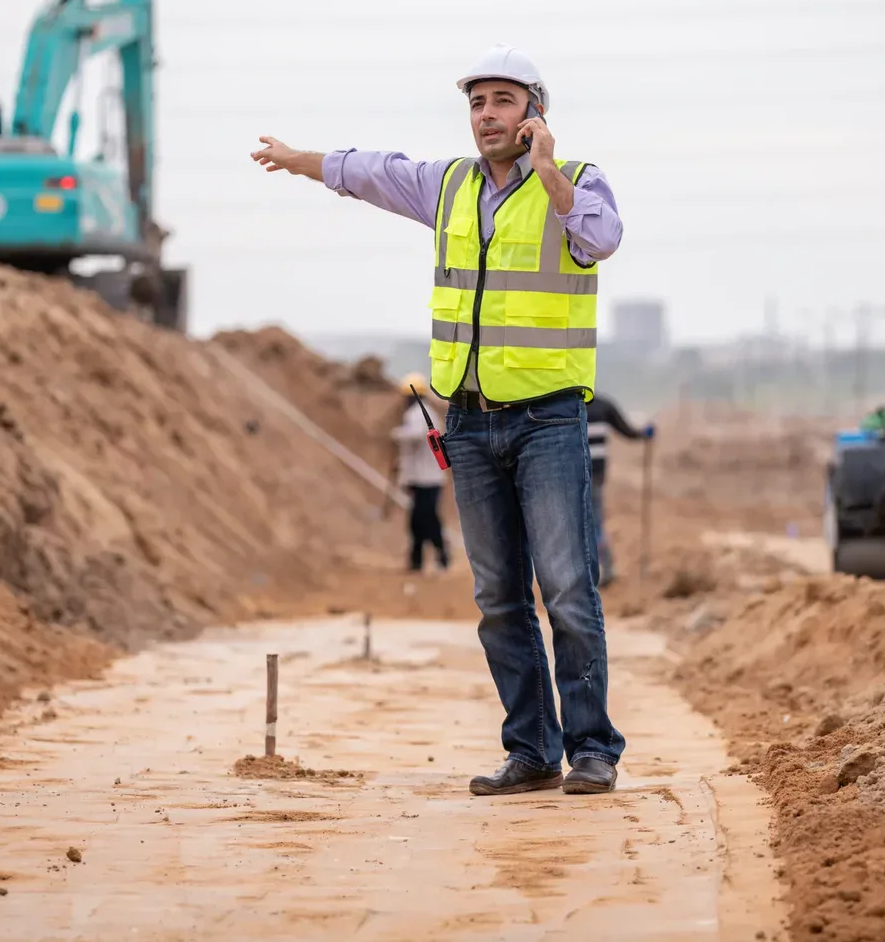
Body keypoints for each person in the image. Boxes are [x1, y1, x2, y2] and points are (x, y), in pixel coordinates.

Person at [250, 45, 626, 796]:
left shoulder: (579, 183)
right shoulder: (450, 186)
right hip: (469, 424)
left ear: (535, 113)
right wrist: (298, 160)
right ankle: (530, 751)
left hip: (549, 420)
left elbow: (600, 240)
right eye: (478, 103)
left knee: (567, 589)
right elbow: (373, 171)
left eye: (503, 102)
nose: (487, 116)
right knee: (497, 598)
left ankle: (592, 749)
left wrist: (547, 170)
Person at [585, 394, 652, 587]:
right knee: (594, 523)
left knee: (585, 524)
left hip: (575, 474)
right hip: (596, 473)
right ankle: (604, 568)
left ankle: (598, 570)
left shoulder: (569, 405)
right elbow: (628, 432)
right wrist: (645, 433)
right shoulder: (605, 406)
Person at [390, 373, 449, 573]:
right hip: (423, 477)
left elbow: (416, 436)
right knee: (421, 520)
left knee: (425, 520)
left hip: (428, 479)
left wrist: (397, 435)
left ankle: (436, 558)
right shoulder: (424, 413)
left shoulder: (418, 414)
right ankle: (420, 560)